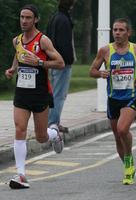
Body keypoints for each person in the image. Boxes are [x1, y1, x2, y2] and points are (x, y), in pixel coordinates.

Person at [5, 4, 65, 189]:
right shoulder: (17, 40)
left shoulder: (43, 41)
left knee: (40, 137)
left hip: (40, 93)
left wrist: (39, 61)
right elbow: (18, 55)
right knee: (19, 128)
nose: (24, 21)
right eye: (22, 17)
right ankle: (21, 175)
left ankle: (54, 133)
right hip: (22, 91)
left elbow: (61, 63)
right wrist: (13, 69)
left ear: (36, 19)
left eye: (28, 18)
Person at [89, 18, 136, 185]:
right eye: (115, 30)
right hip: (113, 98)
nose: (117, 33)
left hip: (131, 96)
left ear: (128, 32)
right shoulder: (105, 50)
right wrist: (101, 74)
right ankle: (128, 167)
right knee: (117, 136)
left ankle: (129, 158)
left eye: (121, 30)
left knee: (123, 129)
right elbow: (92, 71)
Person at [46, 0, 75, 132]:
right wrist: (67, 60)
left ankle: (53, 121)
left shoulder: (55, 17)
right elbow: (64, 44)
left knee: (54, 93)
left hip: (53, 61)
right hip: (61, 63)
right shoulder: (64, 20)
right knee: (59, 94)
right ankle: (53, 123)